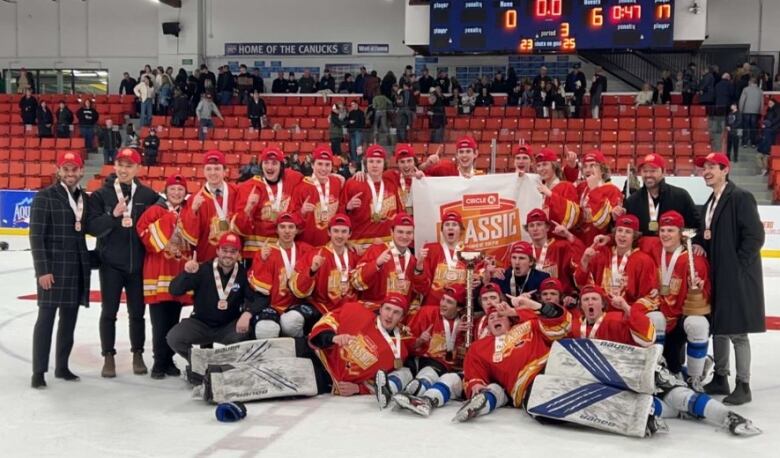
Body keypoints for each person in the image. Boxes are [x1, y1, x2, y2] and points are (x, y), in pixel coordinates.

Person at [695, 153, 765, 405]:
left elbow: (755, 237)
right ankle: (720, 377)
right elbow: (707, 235)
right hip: (716, 275)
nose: (706, 171)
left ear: (726, 170)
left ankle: (743, 384)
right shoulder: (709, 202)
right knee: (719, 329)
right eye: (704, 168)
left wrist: (737, 267)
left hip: (735, 276)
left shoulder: (740, 197)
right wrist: (700, 245)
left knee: (737, 332)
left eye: (712, 167)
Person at [86, 148, 160, 378]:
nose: (124, 169)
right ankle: (108, 356)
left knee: (137, 313)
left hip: (138, 265)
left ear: (138, 168)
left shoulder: (148, 195)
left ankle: (138, 354)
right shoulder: (100, 195)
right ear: (114, 166)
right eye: (120, 164)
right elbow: (92, 228)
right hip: (111, 264)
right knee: (109, 312)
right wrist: (113, 215)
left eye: (129, 165)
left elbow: (165, 217)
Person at [29, 152, 91, 389]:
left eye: (74, 169)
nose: (70, 174)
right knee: (45, 319)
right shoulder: (45, 197)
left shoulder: (84, 198)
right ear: (59, 171)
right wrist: (42, 270)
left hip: (75, 268)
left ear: (81, 172)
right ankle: (38, 371)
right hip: (53, 270)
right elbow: (36, 236)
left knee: (69, 320)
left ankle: (62, 366)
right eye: (66, 169)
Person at [639, 210, 711, 390]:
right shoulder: (652, 247)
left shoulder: (694, 260)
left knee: (698, 323)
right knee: (655, 319)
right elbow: (627, 235)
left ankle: (695, 377)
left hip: (680, 318)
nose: (665, 234)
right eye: (662, 230)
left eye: (670, 230)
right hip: (659, 315)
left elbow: (705, 295)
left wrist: (698, 290)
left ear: (681, 233)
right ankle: (658, 370)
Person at [167, 232, 266, 360]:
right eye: (224, 250)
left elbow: (261, 298)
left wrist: (248, 313)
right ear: (218, 251)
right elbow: (174, 290)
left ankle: (228, 365)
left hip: (228, 327)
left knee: (246, 337)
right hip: (201, 324)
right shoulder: (202, 270)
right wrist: (186, 274)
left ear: (238, 254)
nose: (228, 255)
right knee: (174, 337)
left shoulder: (243, 274)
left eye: (233, 251)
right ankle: (198, 363)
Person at [136, 174, 193, 379]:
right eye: (173, 189)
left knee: (173, 320)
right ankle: (159, 362)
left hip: (178, 272)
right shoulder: (154, 211)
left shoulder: (188, 212)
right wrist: (170, 218)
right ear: (166, 191)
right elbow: (144, 236)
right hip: (158, 273)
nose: (177, 193)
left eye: (180, 189)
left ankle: (168, 360)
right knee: (159, 322)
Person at [309, 293, 415, 396]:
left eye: (396, 312)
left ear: (401, 318)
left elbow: (379, 381)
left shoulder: (398, 351)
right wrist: (332, 338)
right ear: (380, 309)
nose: (390, 315)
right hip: (315, 357)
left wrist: (358, 389)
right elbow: (325, 323)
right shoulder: (355, 311)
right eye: (387, 309)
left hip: (328, 383)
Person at [573, 214, 659, 332]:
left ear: (634, 236)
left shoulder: (644, 260)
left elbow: (650, 297)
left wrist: (628, 309)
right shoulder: (600, 254)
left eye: (628, 232)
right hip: (600, 313)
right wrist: (585, 260)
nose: (622, 235)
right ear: (614, 233)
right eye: (620, 230)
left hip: (627, 313)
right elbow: (580, 283)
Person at [248, 212, 315, 338]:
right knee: (265, 329)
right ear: (277, 230)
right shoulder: (265, 252)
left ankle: (298, 349)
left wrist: (349, 245)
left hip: (298, 304)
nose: (287, 231)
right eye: (282, 227)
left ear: (296, 230)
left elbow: (327, 253)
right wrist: (262, 260)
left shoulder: (307, 250)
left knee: (291, 323)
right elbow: (259, 287)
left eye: (291, 227)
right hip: (273, 306)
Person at [232, 146, 304, 260]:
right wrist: (248, 207)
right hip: (255, 254)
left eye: (274, 163)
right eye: (266, 162)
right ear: (261, 165)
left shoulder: (293, 179)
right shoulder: (249, 187)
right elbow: (238, 228)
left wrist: (333, 178)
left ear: (281, 166)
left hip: (283, 251)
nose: (270, 167)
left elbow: (312, 181)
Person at [289, 214, 358, 317]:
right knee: (291, 320)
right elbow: (297, 289)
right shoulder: (315, 254)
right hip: (320, 308)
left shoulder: (355, 256)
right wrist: (312, 270)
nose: (340, 236)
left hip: (348, 308)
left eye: (344, 231)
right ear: (329, 232)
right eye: (336, 231)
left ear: (350, 234)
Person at [352, 213, 421, 308]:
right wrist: (376, 264)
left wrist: (419, 270)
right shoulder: (376, 250)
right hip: (374, 310)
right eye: (400, 232)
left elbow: (416, 296)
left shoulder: (413, 261)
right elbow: (355, 282)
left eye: (409, 233)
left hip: (398, 315)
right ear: (391, 232)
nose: (405, 236)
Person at [340, 145, 402, 251]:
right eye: (371, 161)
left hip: (388, 244)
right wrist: (347, 207)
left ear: (384, 164)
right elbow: (339, 214)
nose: (374, 165)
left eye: (378, 162)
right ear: (365, 164)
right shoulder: (353, 183)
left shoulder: (391, 182)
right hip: (359, 245)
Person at [620, 153, 700, 236]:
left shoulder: (681, 196)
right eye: (645, 171)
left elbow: (696, 226)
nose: (648, 175)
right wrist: (615, 218)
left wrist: (682, 239)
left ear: (663, 172)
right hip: (644, 248)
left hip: (672, 248)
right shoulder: (632, 200)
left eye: (653, 171)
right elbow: (625, 230)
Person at [180, 150, 238, 262]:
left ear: (225, 171)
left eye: (217, 169)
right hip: (206, 259)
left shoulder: (236, 192)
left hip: (233, 257)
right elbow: (189, 236)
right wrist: (193, 212)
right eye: (209, 169)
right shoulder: (195, 198)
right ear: (203, 172)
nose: (213, 173)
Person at [290, 147, 343, 246]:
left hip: (331, 246)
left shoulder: (336, 183)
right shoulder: (301, 187)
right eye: (320, 164)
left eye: (327, 164)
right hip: (306, 246)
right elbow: (290, 220)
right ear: (312, 165)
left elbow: (340, 209)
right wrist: (302, 212)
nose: (323, 168)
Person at [573, 150, 623, 245]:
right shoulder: (582, 187)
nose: (587, 170)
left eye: (592, 166)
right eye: (585, 166)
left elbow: (607, 222)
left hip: (600, 242)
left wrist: (594, 189)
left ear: (602, 168)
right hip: (580, 240)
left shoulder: (612, 190)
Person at [534, 147, 580, 230]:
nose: (541, 169)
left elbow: (573, 215)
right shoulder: (539, 187)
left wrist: (551, 195)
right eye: (538, 165)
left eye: (545, 164)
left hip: (561, 238)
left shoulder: (566, 186)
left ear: (554, 166)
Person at [738, 77, 763, 148]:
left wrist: (740, 110)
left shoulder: (746, 89)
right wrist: (760, 110)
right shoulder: (760, 90)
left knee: (745, 127)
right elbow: (762, 102)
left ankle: (744, 143)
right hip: (756, 112)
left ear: (750, 82)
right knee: (754, 128)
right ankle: (753, 143)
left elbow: (742, 101)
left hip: (746, 111)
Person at [757, 98, 780, 174]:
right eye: (768, 103)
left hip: (773, 128)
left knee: (765, 153)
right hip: (768, 129)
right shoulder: (769, 110)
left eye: (770, 102)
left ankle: (765, 169)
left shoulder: (777, 109)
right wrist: (765, 124)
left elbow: (777, 119)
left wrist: (769, 124)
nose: (769, 104)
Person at [346, 101, 365, 165]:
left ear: (356, 104)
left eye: (353, 104)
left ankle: (359, 161)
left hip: (358, 131)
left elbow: (363, 123)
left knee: (358, 146)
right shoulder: (351, 113)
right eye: (351, 105)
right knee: (352, 146)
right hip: (352, 131)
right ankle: (354, 160)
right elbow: (348, 122)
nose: (352, 106)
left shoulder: (361, 113)